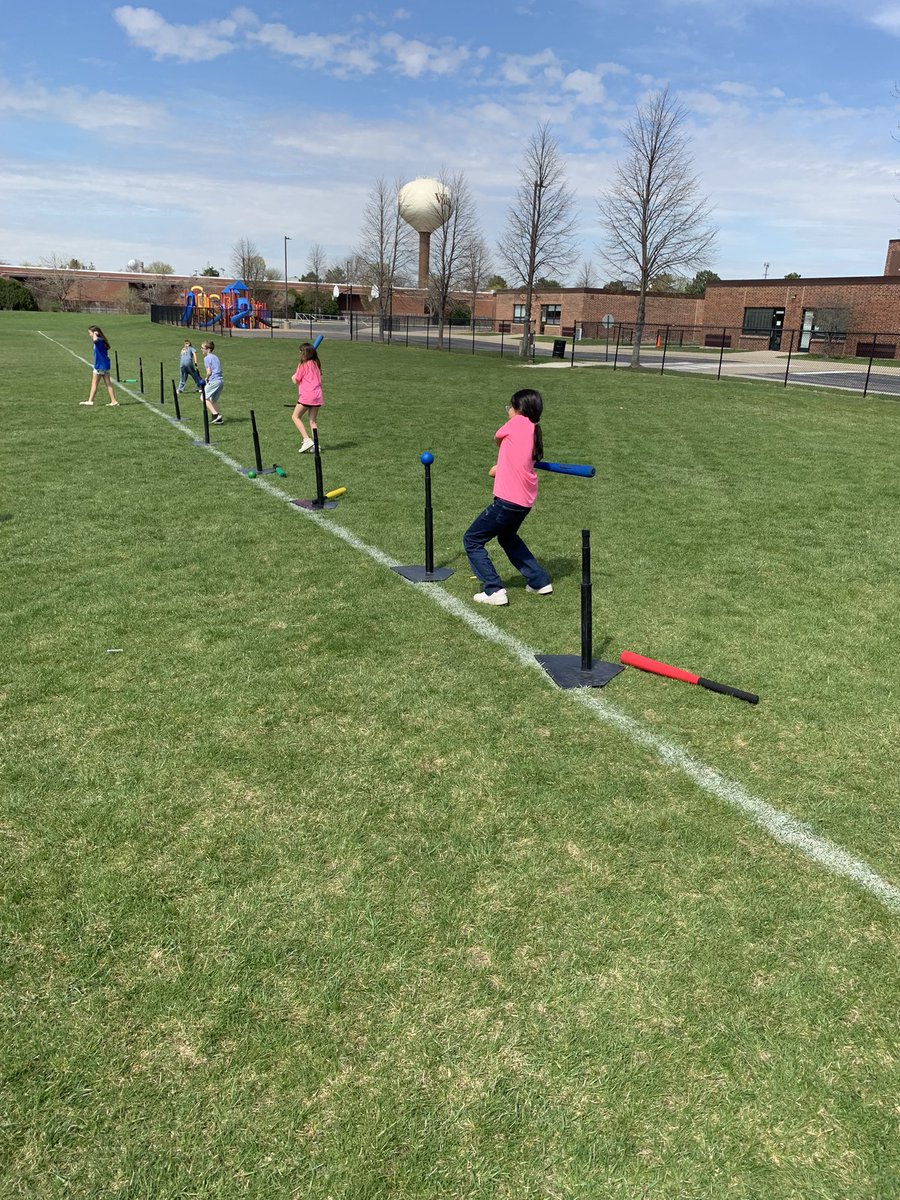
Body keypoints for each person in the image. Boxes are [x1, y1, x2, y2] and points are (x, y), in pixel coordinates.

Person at [463, 388, 553, 606]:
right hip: (523, 502)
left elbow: (497, 438)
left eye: (510, 408)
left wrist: (501, 461)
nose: (508, 412)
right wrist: (501, 466)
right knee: (507, 537)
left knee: (472, 539)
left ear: (519, 409)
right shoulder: (533, 430)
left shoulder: (517, 422)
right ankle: (539, 581)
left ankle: (493, 590)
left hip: (507, 501)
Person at [291, 341, 323, 453]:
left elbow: (295, 380)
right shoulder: (316, 364)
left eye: (300, 352)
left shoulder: (302, 365)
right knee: (313, 421)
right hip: (317, 396)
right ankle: (316, 444)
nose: (299, 354)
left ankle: (306, 439)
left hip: (307, 395)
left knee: (295, 416)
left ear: (304, 353)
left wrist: (294, 375)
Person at [80, 326, 118, 406]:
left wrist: (95, 334)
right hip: (105, 365)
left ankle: (90, 401)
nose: (89, 335)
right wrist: (95, 334)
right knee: (108, 383)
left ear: (95, 332)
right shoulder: (102, 340)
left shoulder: (99, 340)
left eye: (90, 333)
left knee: (94, 383)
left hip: (100, 366)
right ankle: (114, 401)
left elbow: (95, 340)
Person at [200, 340, 224, 423]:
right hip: (220, 381)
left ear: (208, 349)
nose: (201, 349)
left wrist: (206, 378)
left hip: (214, 381)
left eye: (202, 348)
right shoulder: (215, 357)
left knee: (203, 397)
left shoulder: (206, 358)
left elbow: (209, 372)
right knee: (213, 400)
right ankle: (218, 419)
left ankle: (216, 415)